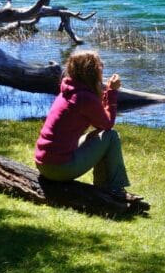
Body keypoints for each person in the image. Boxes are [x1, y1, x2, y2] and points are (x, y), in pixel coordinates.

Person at [34, 49, 131, 196]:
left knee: (100, 135)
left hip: (43, 162)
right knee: (110, 136)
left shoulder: (69, 90)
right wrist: (111, 92)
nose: (102, 67)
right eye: (99, 65)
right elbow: (107, 125)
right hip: (58, 168)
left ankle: (104, 185)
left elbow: (100, 124)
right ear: (91, 71)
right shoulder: (84, 97)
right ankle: (114, 189)